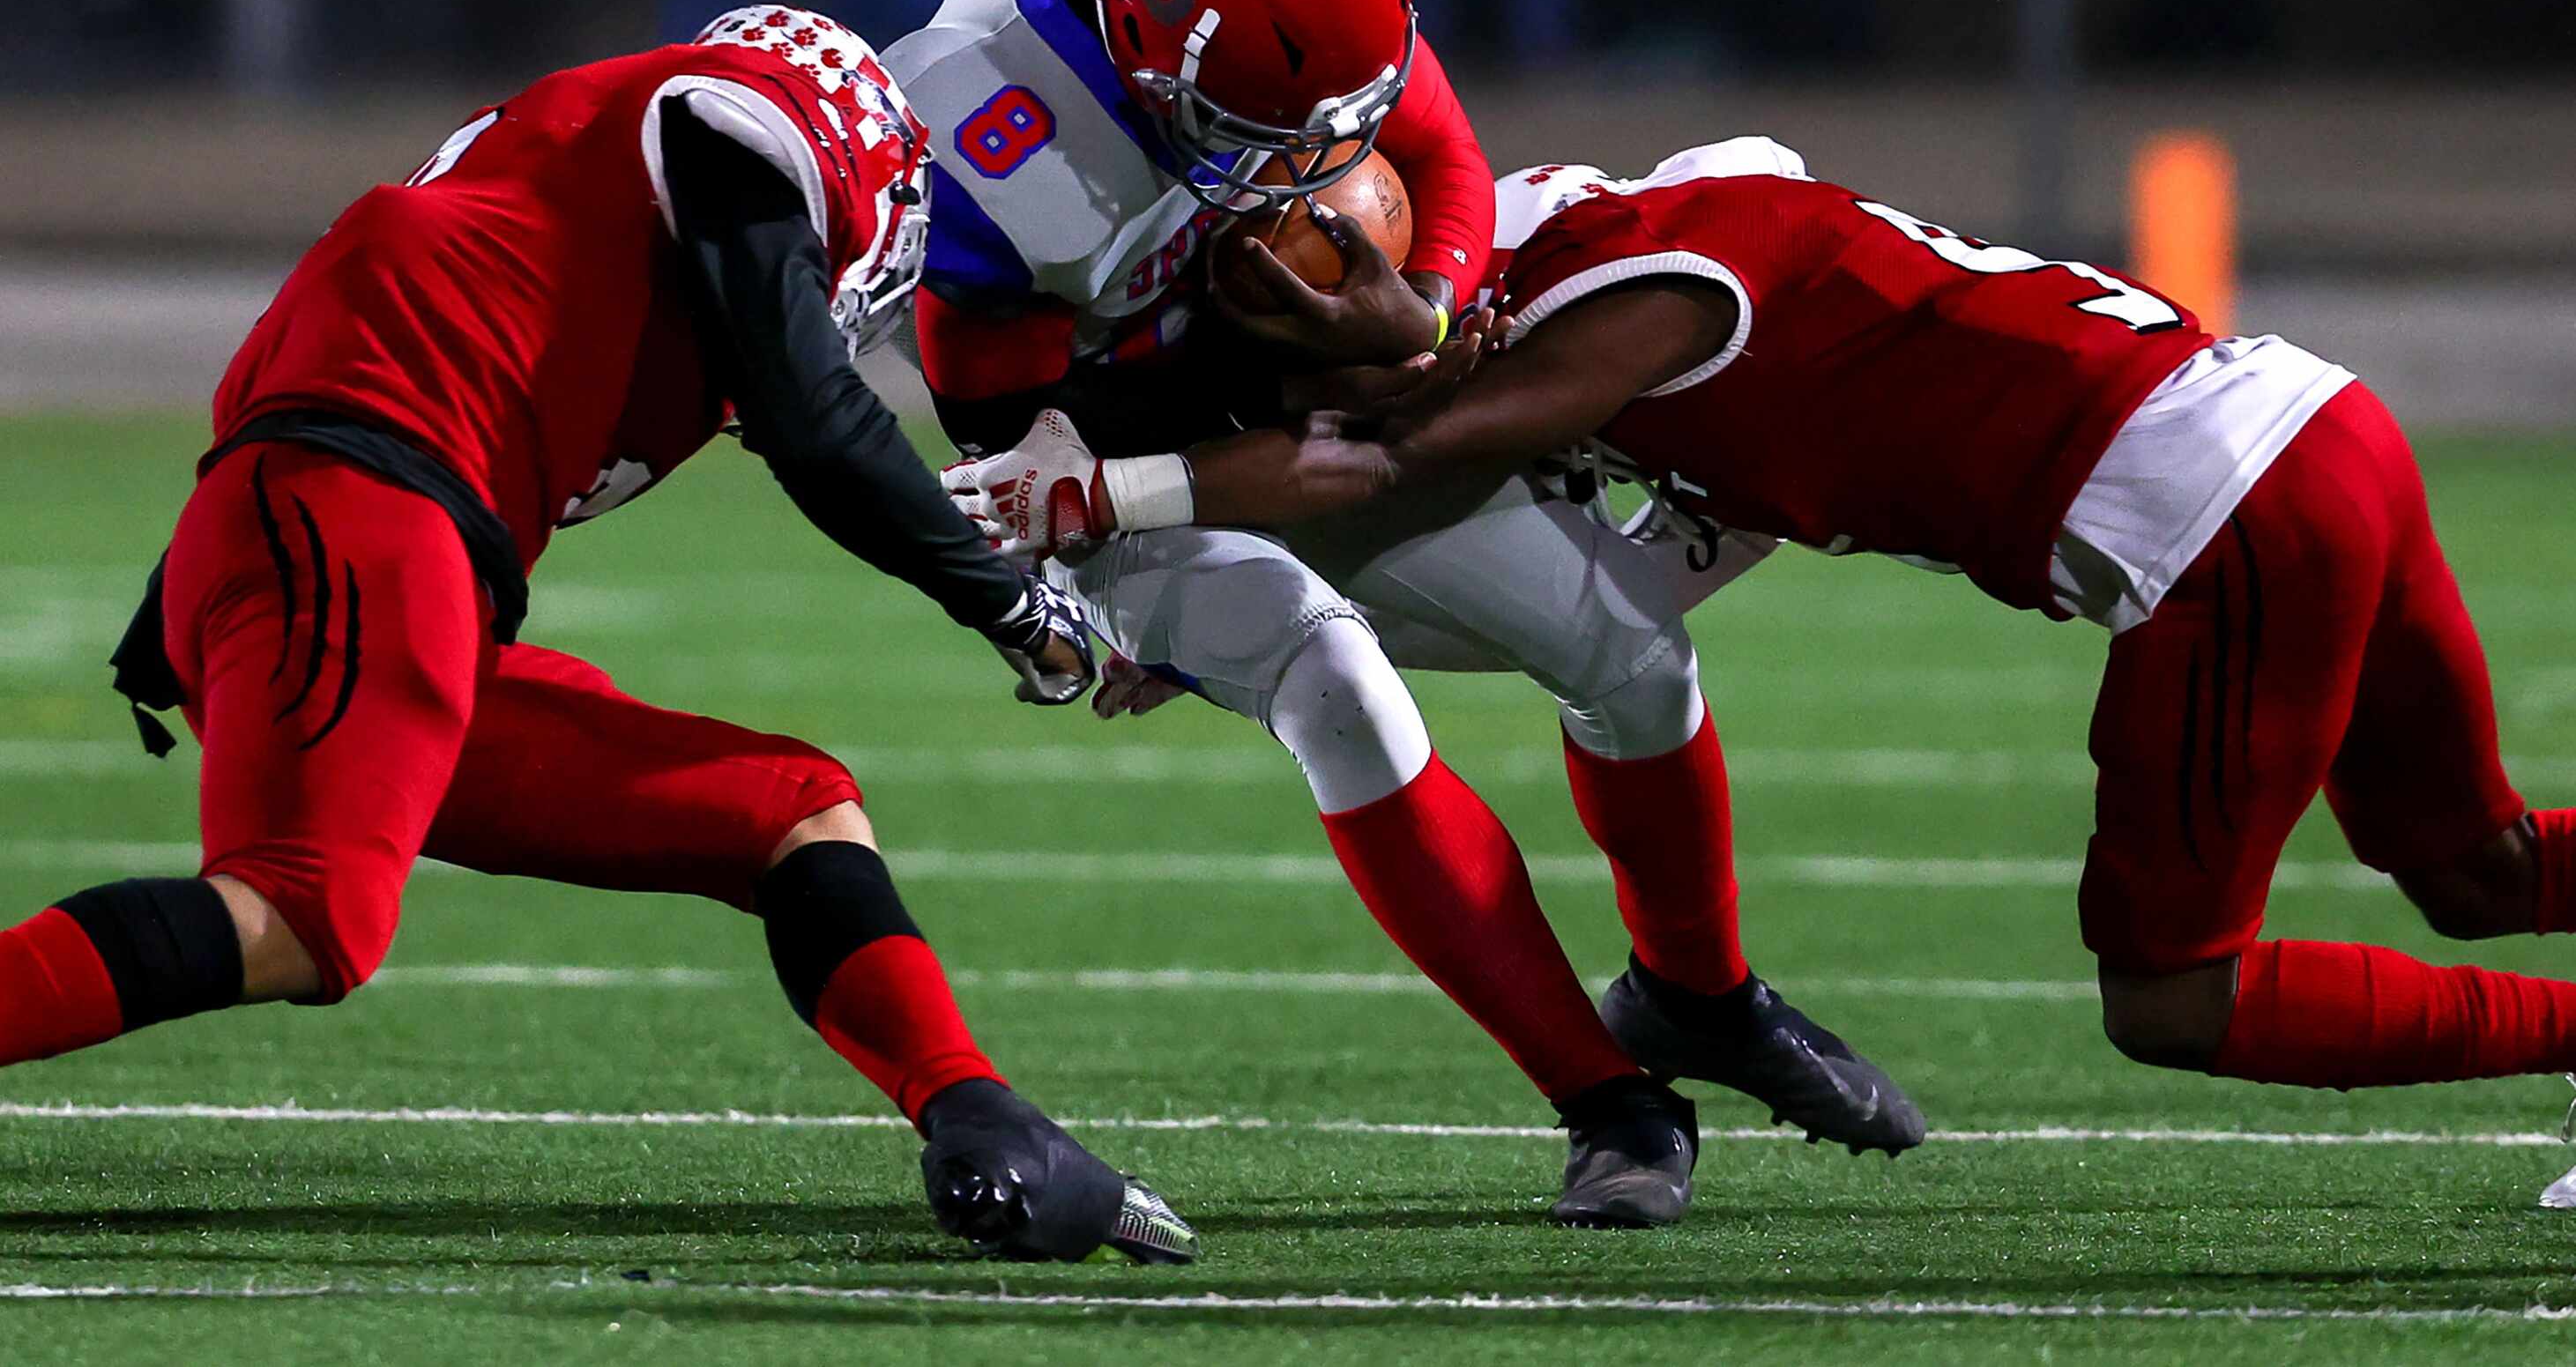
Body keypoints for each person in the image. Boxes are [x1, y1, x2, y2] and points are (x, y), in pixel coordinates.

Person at [951, 136, 2576, 1201]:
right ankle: (1691, 997)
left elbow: (1414, 441)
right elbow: (1599, 561)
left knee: (2172, 996)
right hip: (2318, 431)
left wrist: (1126, 494)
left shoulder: (1642, 280)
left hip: (2224, 517)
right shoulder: (1661, 302)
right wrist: (1201, 616)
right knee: (2471, 866)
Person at [0, 6, 1195, 1265]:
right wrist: (1011, 606)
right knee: (305, 911)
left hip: (349, 555)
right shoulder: (737, 128)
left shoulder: (561, 192)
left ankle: (981, 1116)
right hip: (360, 527)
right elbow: (815, 420)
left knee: (791, 805)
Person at [893, 0, 1919, 1226]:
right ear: (1142, 57)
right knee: (1338, 683)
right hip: (1105, 457)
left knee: (1628, 644)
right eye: (1255, 134)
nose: (1301, 164)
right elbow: (1016, 450)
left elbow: (1430, 152)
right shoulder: (990, 125)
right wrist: (1248, 411)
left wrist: (1412, 313)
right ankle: (1608, 1103)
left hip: (1302, 404)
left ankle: (1703, 994)